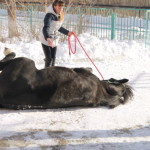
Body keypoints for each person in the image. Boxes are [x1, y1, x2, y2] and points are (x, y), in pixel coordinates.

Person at [40, 0, 73, 68]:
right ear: (54, 6)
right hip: (46, 39)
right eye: (59, 7)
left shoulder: (58, 15)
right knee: (49, 59)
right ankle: (45, 76)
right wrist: (48, 38)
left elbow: (59, 28)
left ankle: (52, 75)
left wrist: (68, 32)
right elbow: (46, 27)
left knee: (53, 59)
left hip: (54, 40)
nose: (61, 9)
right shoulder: (49, 15)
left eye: (62, 7)